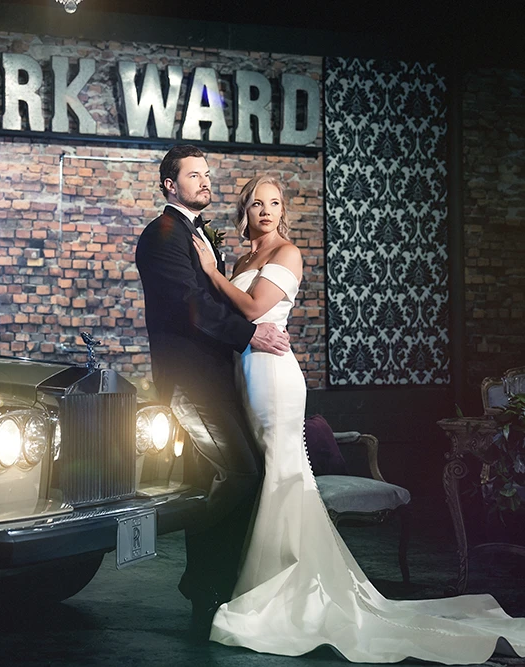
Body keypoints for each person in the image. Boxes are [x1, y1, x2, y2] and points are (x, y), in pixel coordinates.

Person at [190, 174, 525, 664]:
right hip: (244, 373)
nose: (266, 211)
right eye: (257, 203)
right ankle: (260, 579)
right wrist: (220, 273)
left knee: (283, 471)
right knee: (261, 477)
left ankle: (286, 587)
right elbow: (232, 320)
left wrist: (209, 272)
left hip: (274, 379)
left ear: (284, 212)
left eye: (275, 204)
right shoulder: (241, 259)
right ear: (245, 210)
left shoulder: (287, 254)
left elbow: (256, 307)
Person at [135, 145, 291, 641]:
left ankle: (211, 595)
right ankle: (159, 536)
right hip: (190, 385)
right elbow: (190, 308)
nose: (205, 181)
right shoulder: (162, 236)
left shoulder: (196, 235)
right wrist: (251, 335)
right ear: (169, 184)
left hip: (220, 380)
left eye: (207, 173)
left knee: (222, 479)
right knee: (241, 474)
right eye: (194, 174)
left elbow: (212, 294)